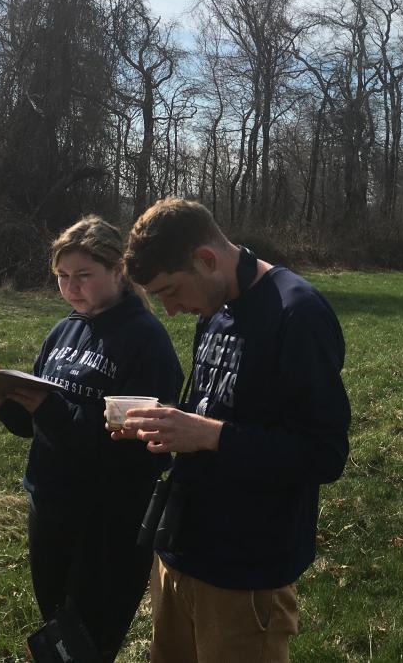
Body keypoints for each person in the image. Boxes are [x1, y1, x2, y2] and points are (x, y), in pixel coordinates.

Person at [113, 197, 350, 663]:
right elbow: (213, 406)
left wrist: (210, 436)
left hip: (244, 569)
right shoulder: (216, 305)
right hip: (180, 550)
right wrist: (164, 421)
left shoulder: (296, 314)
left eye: (169, 291)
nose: (171, 310)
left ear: (206, 260)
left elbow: (324, 453)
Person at [0, 215, 182, 660]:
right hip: (50, 504)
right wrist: (3, 403)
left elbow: (134, 451)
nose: (71, 287)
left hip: (107, 519)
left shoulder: (145, 341)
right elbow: (35, 425)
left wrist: (48, 408)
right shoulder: (65, 330)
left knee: (87, 642)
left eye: (84, 276)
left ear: (119, 271)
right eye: (63, 277)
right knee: (55, 631)